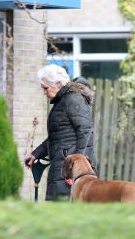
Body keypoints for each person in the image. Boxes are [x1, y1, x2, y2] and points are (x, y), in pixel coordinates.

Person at [25, 64, 96, 201]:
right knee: (57, 210)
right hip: (63, 165)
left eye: (45, 88)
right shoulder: (62, 101)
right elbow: (57, 137)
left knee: (65, 211)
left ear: (58, 84)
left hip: (71, 168)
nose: (44, 92)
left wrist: (81, 170)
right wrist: (36, 154)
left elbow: (85, 132)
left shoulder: (73, 99)